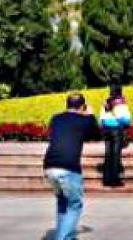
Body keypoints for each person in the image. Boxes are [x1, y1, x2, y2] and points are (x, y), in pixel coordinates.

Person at [44, 92, 102, 240]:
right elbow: (96, 135)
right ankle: (62, 238)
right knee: (74, 205)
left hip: (49, 166)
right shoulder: (84, 120)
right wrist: (90, 115)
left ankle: (65, 236)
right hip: (68, 168)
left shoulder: (56, 119)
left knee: (63, 202)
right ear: (82, 106)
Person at [99, 84, 131, 187]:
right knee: (116, 154)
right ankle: (115, 180)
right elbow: (126, 120)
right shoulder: (121, 103)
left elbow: (102, 119)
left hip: (106, 130)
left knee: (108, 154)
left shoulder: (106, 103)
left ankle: (106, 179)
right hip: (117, 130)